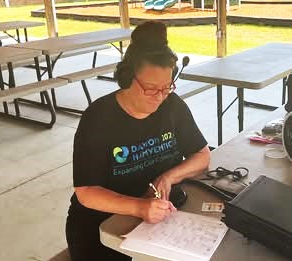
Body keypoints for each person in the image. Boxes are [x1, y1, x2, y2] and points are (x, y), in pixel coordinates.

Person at [65, 21, 210, 261]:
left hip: (158, 221)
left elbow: (202, 156)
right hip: (100, 225)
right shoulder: (98, 117)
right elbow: (86, 193)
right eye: (151, 88)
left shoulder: (172, 105)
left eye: (166, 88)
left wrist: (168, 177)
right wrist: (140, 207)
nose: (159, 97)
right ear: (126, 78)